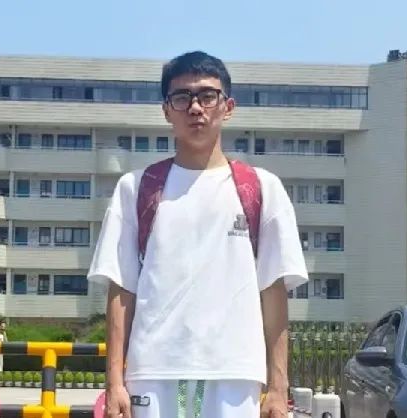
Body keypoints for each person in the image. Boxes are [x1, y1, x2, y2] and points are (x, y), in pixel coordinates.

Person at [88, 51, 308, 418]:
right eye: (182, 97)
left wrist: (278, 386)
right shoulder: (136, 188)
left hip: (235, 373)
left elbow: (273, 291)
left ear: (228, 107)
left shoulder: (261, 188)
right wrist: (114, 383)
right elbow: (121, 289)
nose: (195, 107)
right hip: (153, 373)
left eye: (207, 96)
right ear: (166, 110)